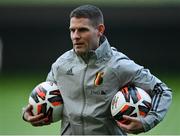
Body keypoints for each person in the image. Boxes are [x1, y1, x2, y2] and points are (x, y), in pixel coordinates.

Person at [22, 5, 172, 135]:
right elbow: (46, 98)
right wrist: (28, 113)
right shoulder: (61, 65)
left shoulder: (119, 66)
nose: (75, 36)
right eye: (72, 30)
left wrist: (147, 122)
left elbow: (162, 91)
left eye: (82, 30)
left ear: (99, 30)